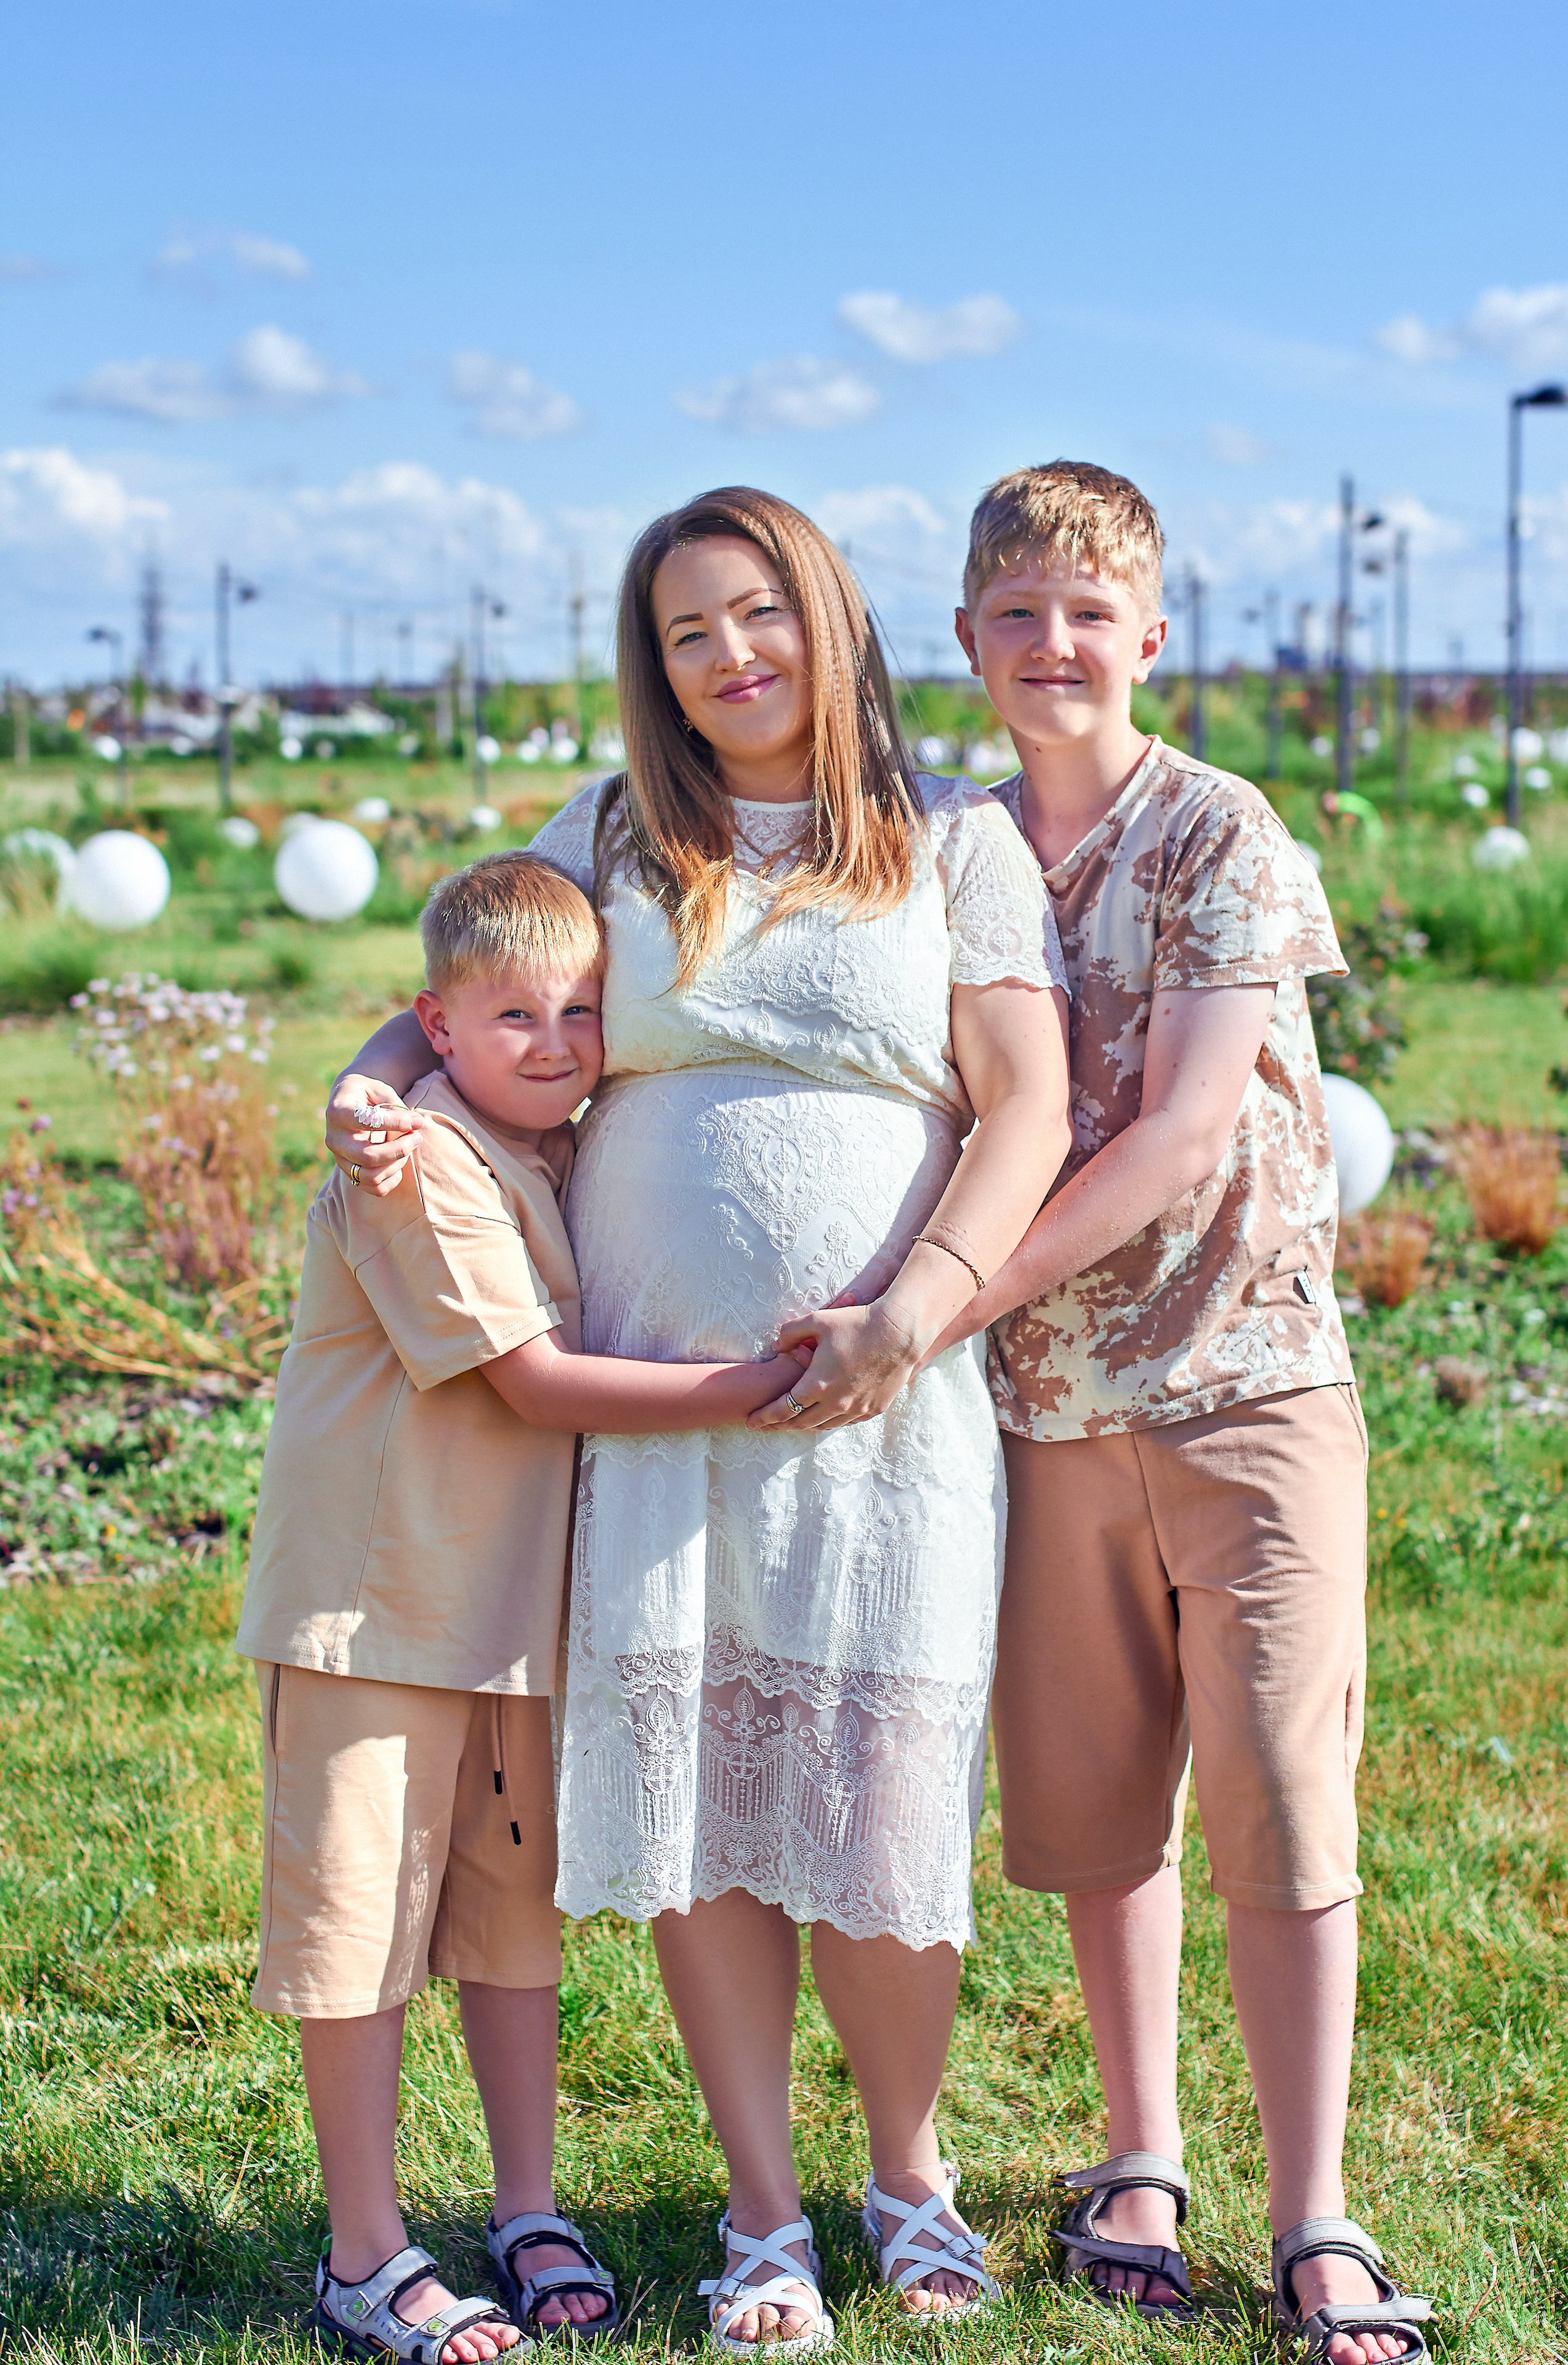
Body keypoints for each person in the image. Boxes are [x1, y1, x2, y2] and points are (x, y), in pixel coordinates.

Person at [325, 488, 1071, 2349]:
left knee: (880, 1808)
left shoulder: (949, 847)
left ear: (828, 621)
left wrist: (918, 1304)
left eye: (761, 616)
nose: (732, 657)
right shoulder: (613, 835)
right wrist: (373, 1070)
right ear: (652, 669)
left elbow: (1031, 1111)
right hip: (660, 1413)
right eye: (687, 633)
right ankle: (761, 2215)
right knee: (705, 1811)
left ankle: (908, 2178)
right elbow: (465, 980)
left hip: (881, 1409)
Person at [923, 461, 1434, 2365]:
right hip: (1050, 1414)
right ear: (967, 639)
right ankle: (1141, 2154)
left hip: (1245, 1386)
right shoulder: (952, 851)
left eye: (1089, 613)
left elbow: (1183, 1130)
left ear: (1150, 637)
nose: (1054, 645)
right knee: (1096, 1807)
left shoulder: (1222, 834)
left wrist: (934, 1303)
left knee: (1285, 1806)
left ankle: (1318, 2207)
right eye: (1016, 613)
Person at [243, 852, 815, 2359]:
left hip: (502, 1621)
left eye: (580, 1011)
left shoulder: (551, 1142)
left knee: (510, 1926)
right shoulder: (417, 1161)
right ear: (438, 1027)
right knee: (358, 1925)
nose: (555, 1042)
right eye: (514, 1016)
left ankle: (524, 2202)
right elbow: (534, 1384)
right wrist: (766, 1384)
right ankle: (363, 2251)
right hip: (376, 1613)